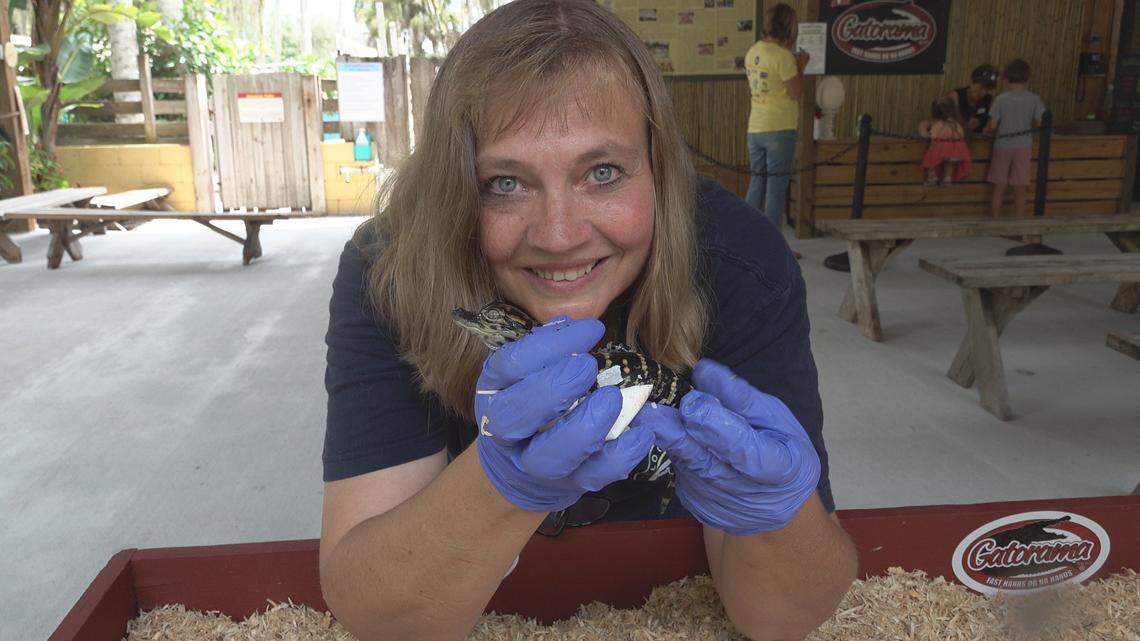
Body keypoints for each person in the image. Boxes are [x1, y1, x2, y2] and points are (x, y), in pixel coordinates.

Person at [319, 2, 857, 640]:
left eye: (603, 173)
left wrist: (779, 517)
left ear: (660, 170)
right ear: (453, 189)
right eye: (504, 182)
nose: (559, 235)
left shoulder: (740, 264)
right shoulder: (392, 268)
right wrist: (499, 484)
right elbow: (377, 617)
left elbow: (780, 620)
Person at [743, 3, 809, 238]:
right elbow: (796, 91)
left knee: (756, 183)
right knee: (776, 189)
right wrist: (801, 66)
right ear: (789, 27)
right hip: (779, 128)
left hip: (756, 126)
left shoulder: (753, 52)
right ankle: (774, 246)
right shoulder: (783, 57)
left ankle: (745, 237)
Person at [986, 59, 1046, 218]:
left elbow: (992, 126)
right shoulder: (1034, 99)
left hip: (1002, 145)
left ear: (1006, 78)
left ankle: (995, 222)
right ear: (1027, 78)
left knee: (999, 186)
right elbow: (1042, 122)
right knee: (1020, 187)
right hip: (1023, 146)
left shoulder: (1001, 99)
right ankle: (1019, 224)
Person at [918, 97, 971, 187]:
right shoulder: (957, 123)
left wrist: (927, 133)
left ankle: (932, 175)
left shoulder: (934, 122)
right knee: (950, 162)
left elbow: (924, 134)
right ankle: (947, 178)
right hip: (957, 147)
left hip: (941, 145)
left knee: (932, 159)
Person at [947, 64, 998, 134]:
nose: (984, 93)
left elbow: (991, 126)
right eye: (981, 88)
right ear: (971, 82)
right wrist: (964, 124)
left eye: (988, 89)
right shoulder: (955, 97)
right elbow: (946, 123)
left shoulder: (990, 100)